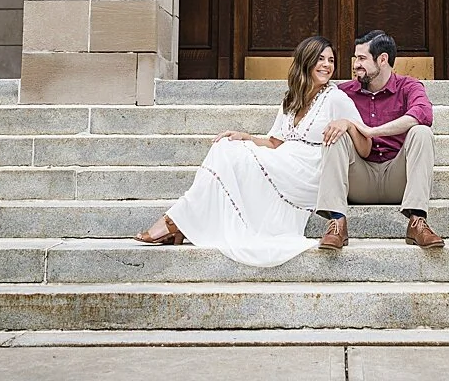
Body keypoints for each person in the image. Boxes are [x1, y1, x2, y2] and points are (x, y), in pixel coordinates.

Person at [132, 35, 373, 267]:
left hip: (310, 172)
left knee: (231, 156)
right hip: (284, 160)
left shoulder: (336, 99)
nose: (327, 65)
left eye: (331, 60)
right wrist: (246, 137)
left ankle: (175, 222)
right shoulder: (292, 98)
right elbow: (275, 143)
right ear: (306, 60)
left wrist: (349, 125)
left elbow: (366, 148)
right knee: (226, 146)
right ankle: (179, 221)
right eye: (321, 59)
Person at [313, 30, 445, 251]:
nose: (356, 65)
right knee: (336, 131)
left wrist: (372, 131)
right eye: (356, 58)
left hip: (398, 179)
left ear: (382, 59)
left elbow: (424, 114)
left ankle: (417, 221)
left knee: (421, 132)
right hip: (358, 179)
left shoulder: (408, 86)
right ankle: (336, 222)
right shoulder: (343, 92)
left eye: (362, 58)